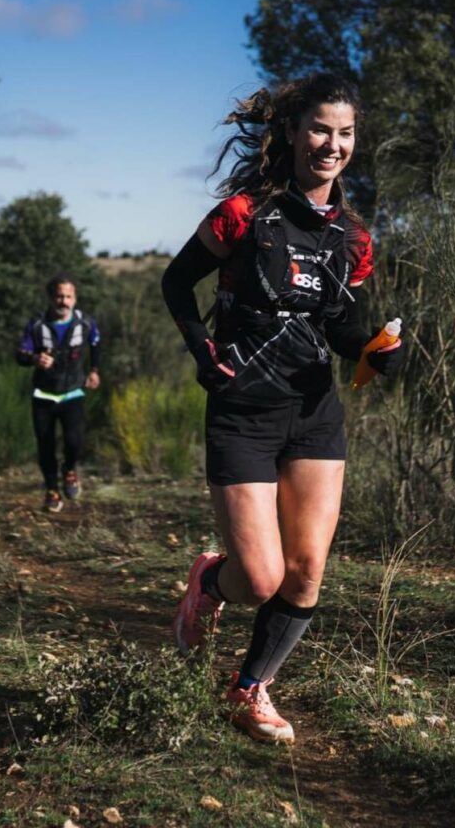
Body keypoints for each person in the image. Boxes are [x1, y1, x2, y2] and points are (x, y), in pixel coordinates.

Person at [162, 72, 405, 744]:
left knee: (305, 572)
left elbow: (339, 327)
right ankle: (210, 583)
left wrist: (373, 350)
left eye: (345, 133)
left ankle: (249, 689)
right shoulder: (243, 215)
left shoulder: (352, 239)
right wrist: (201, 350)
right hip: (242, 408)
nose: (332, 144)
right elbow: (176, 282)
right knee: (260, 576)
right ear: (293, 133)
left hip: (313, 412)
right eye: (320, 129)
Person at [16, 275, 101, 513]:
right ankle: (52, 491)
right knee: (45, 445)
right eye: (59, 296)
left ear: (75, 298)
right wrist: (35, 358)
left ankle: (70, 470)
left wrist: (94, 370)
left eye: (68, 296)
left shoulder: (85, 323)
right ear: (51, 298)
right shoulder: (37, 324)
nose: (63, 301)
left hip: (73, 392)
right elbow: (20, 354)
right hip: (43, 395)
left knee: (74, 441)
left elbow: (96, 344)